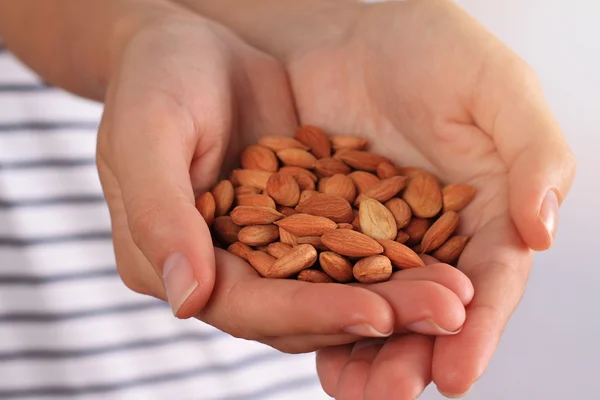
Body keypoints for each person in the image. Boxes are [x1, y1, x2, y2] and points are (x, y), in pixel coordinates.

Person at [0, 0, 576, 399]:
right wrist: (130, 32)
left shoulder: (342, 205)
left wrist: (327, 27)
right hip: (52, 325)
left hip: (284, 363)